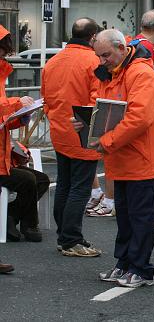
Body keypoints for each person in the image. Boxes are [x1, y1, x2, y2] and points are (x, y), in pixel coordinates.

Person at [85, 29, 154, 288]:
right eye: (99, 56)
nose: (102, 60)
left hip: (138, 158)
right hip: (123, 157)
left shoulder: (140, 74)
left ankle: (140, 268)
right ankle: (125, 264)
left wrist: (104, 141)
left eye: (106, 55)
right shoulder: (117, 72)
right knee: (127, 218)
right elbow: (105, 109)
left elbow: (138, 119)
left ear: (122, 48)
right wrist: (87, 123)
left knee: (139, 218)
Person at [42, 18, 103, 254]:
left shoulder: (54, 61)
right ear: (93, 37)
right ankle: (71, 239)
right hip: (82, 131)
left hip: (59, 130)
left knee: (65, 184)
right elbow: (97, 101)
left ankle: (64, 236)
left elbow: (46, 97)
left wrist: (55, 117)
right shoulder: (93, 62)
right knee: (80, 187)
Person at [0, 25, 42, 243]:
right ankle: (24, 224)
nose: (5, 55)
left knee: (36, 179)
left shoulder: (1, 74)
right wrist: (17, 105)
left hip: (3, 156)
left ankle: (16, 220)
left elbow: (3, 119)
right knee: (30, 180)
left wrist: (20, 116)